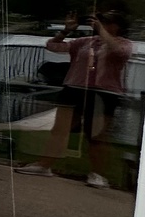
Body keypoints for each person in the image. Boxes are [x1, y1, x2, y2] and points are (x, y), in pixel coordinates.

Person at [18, 10, 134, 188]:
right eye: (101, 21)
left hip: (104, 93)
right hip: (74, 88)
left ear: (118, 26)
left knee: (96, 135)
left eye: (107, 22)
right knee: (60, 129)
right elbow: (52, 46)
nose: (101, 24)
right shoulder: (85, 42)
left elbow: (118, 52)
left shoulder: (124, 44)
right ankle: (44, 165)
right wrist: (66, 31)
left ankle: (97, 174)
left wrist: (102, 31)